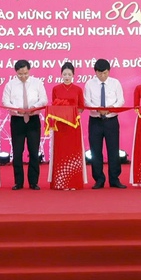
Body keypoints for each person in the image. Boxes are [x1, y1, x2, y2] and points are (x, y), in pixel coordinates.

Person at [3, 59, 48, 190]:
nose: (23, 76)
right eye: (20, 74)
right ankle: (18, 182)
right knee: (17, 152)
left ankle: (33, 182)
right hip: (17, 120)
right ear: (16, 72)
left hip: (33, 119)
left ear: (29, 70)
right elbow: (5, 101)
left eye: (25, 73)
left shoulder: (37, 83)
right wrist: (17, 109)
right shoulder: (10, 85)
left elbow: (44, 99)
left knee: (34, 151)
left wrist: (35, 106)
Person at [84, 58, 127, 189]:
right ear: (95, 72)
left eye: (105, 73)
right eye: (100, 73)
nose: (103, 76)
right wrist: (98, 109)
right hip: (95, 121)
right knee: (96, 151)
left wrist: (111, 108)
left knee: (113, 150)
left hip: (111, 120)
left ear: (109, 71)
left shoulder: (115, 83)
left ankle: (114, 179)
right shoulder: (89, 84)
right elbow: (86, 101)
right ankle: (99, 179)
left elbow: (121, 100)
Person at [47, 62, 86, 190]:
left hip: (74, 125)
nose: (67, 77)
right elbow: (54, 106)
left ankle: (74, 182)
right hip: (60, 126)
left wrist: (71, 112)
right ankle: (61, 182)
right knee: (61, 151)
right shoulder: (56, 89)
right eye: (65, 74)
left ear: (73, 75)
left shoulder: (78, 89)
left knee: (74, 151)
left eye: (69, 74)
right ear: (61, 75)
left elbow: (81, 107)